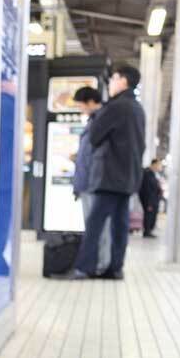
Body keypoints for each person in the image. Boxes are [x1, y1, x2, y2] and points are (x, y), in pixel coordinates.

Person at [66, 64, 146, 280]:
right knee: (120, 226)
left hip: (109, 177)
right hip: (128, 178)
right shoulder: (138, 109)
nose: (110, 84)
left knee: (95, 224)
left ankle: (84, 267)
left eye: (113, 79)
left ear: (122, 81)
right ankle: (115, 268)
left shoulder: (115, 107)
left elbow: (94, 137)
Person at [71, 86, 110, 274]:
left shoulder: (102, 121)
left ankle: (101, 265)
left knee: (98, 228)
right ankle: (98, 263)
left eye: (81, 105)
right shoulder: (94, 121)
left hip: (94, 184)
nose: (81, 109)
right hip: (87, 183)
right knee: (93, 227)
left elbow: (98, 157)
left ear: (91, 102)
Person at [139, 158, 164, 238]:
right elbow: (147, 189)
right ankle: (147, 231)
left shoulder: (153, 174)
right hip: (149, 199)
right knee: (148, 215)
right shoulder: (147, 173)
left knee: (151, 215)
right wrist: (149, 202)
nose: (159, 167)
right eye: (158, 165)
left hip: (153, 199)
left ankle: (149, 230)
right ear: (154, 164)